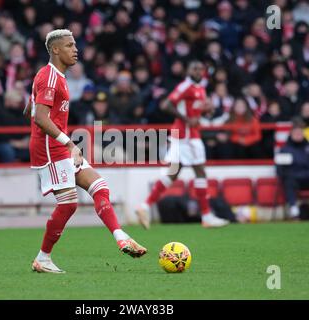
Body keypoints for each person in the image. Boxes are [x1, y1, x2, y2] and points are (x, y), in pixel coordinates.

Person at [24, 29, 147, 274]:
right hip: (50, 150)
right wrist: (69, 143)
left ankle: (121, 236)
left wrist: (38, 109)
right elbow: (38, 117)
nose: (75, 49)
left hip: (59, 145)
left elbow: (30, 110)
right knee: (68, 204)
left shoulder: (55, 77)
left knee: (99, 186)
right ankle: (43, 258)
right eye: (69, 45)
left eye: (75, 45)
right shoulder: (49, 77)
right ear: (56, 50)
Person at [135, 61, 229, 229]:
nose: (198, 71)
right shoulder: (185, 86)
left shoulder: (200, 88)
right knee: (200, 171)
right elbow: (166, 105)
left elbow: (194, 110)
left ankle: (144, 206)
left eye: (201, 68)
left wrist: (206, 110)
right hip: (186, 136)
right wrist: (187, 120)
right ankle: (206, 215)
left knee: (173, 174)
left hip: (186, 135)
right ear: (188, 70)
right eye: (194, 68)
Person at [276, 118, 309, 219]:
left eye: (300, 133)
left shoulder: (307, 147)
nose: (298, 135)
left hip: (307, 176)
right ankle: (294, 209)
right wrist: (283, 176)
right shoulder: (285, 149)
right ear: (291, 134)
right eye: (296, 133)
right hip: (293, 178)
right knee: (288, 181)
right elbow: (279, 168)